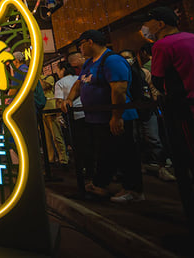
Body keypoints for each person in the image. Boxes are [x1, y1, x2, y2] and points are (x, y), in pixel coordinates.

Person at [60, 30, 143, 203]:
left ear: (90, 42)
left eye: (81, 44)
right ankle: (100, 185)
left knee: (125, 153)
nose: (80, 49)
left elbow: (119, 89)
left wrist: (116, 116)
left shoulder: (112, 60)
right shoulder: (90, 63)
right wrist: (68, 99)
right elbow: (78, 84)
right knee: (106, 153)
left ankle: (133, 190)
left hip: (117, 118)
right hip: (97, 119)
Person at [139, 6, 194, 231]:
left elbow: (159, 80)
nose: (146, 27)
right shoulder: (192, 37)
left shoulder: (162, 45)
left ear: (160, 24)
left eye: (150, 22)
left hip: (184, 110)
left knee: (187, 160)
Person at [119, 49, 174, 181]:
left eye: (129, 57)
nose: (127, 60)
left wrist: (156, 101)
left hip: (147, 110)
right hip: (130, 111)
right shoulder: (121, 74)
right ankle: (140, 165)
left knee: (154, 138)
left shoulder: (144, 73)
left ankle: (162, 167)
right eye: (124, 58)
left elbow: (152, 88)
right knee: (135, 139)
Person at [55, 61, 92, 179]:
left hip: (73, 115)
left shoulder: (60, 83)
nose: (57, 72)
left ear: (63, 69)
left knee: (78, 144)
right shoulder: (79, 78)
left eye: (58, 70)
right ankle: (91, 168)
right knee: (90, 142)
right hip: (88, 113)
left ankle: (83, 171)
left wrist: (60, 114)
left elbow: (59, 102)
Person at [41, 74, 68, 166]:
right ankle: (51, 159)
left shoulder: (49, 77)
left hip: (51, 110)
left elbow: (43, 86)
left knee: (56, 136)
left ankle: (63, 159)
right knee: (46, 138)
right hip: (42, 111)